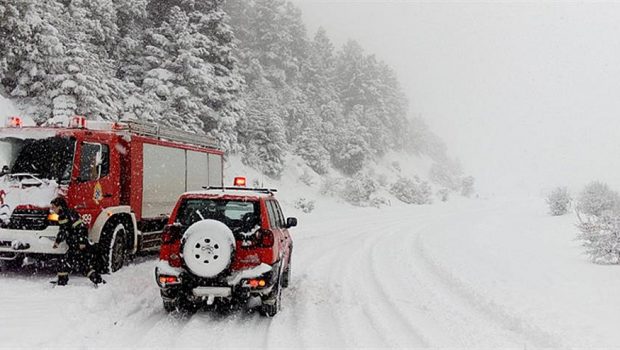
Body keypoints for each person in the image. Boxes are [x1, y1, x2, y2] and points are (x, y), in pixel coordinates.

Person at [50, 196, 103, 286]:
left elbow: (81, 228)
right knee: (74, 263)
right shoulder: (62, 216)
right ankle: (62, 281)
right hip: (73, 245)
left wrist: (81, 242)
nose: (52, 209)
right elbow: (63, 231)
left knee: (71, 263)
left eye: (54, 207)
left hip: (78, 244)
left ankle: (98, 281)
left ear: (60, 207)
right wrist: (57, 242)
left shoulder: (70, 214)